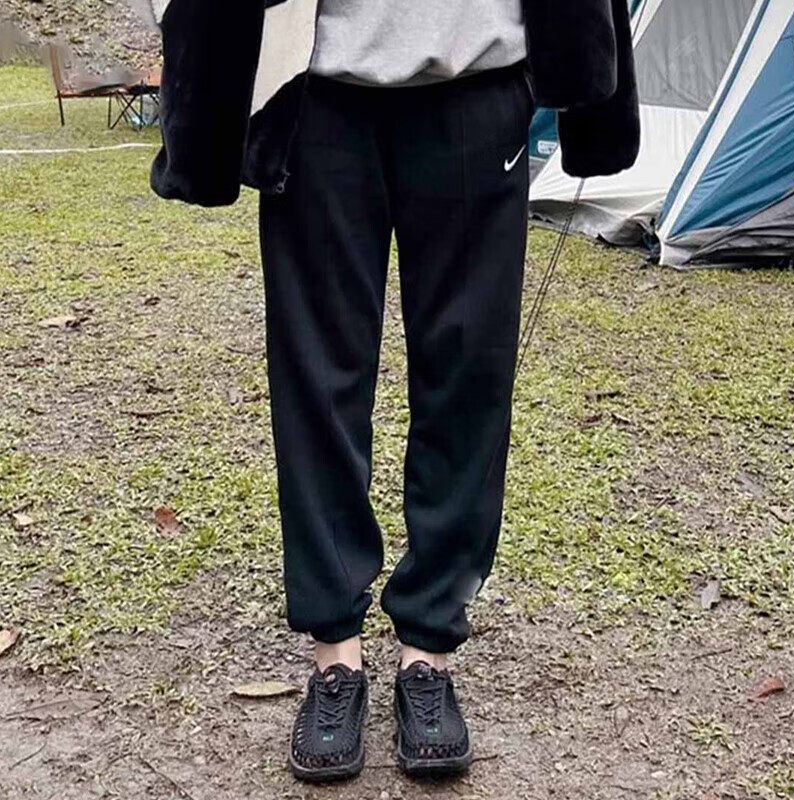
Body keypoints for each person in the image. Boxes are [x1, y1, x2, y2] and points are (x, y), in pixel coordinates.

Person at [148, 0, 639, 783]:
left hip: (480, 79)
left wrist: (594, 93)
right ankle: (335, 656)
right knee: (316, 381)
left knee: (469, 377)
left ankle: (429, 650)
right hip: (317, 92)